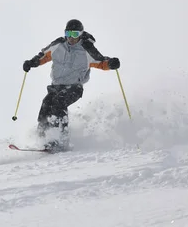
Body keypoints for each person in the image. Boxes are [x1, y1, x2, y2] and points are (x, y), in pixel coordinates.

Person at [22, 19, 120, 151]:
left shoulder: (87, 49)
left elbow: (101, 61)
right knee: (46, 106)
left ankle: (60, 139)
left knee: (59, 102)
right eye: (68, 33)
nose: (71, 38)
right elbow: (42, 56)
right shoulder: (58, 45)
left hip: (74, 87)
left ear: (80, 34)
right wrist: (31, 63)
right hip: (56, 86)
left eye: (74, 34)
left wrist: (111, 63)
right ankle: (42, 138)